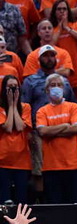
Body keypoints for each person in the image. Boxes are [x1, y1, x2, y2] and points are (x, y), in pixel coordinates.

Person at [36, 73, 77, 204]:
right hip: (51, 166)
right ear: (47, 89)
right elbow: (42, 131)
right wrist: (65, 126)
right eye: (53, 85)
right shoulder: (42, 111)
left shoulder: (73, 107)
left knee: (74, 205)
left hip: (73, 165)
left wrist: (52, 132)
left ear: (63, 88)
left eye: (59, 85)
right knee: (55, 206)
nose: (56, 87)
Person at [50, 0, 77, 104]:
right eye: (59, 9)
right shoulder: (51, 28)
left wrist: (68, 29)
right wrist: (60, 28)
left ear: (68, 11)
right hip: (59, 76)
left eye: (64, 9)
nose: (62, 11)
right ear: (54, 12)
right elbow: (50, 45)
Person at [0, 75, 31, 204]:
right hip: (2, 160)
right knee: (4, 201)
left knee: (21, 200)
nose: (12, 90)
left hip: (22, 160)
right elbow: (7, 127)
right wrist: (10, 104)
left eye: (15, 87)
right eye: (9, 87)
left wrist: (13, 105)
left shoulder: (26, 107)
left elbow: (19, 127)